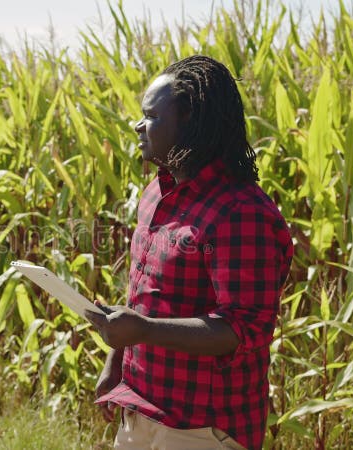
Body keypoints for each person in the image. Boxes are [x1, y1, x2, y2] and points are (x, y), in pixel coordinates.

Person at [85, 55, 293, 450]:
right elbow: (146, 298)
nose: (138, 125)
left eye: (151, 116)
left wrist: (142, 330)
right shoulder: (156, 195)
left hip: (201, 429)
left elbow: (242, 328)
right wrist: (118, 362)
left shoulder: (241, 212)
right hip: (140, 408)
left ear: (190, 123)